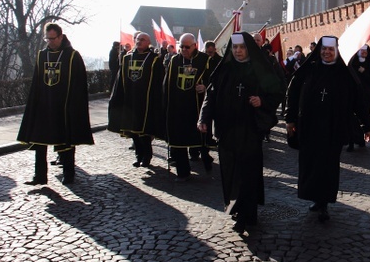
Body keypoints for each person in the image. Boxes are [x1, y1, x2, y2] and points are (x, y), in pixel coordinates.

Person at [197, 32, 283, 234]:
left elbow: (277, 92)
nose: (238, 51)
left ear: (248, 49)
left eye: (242, 47)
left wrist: (262, 101)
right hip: (226, 131)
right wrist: (203, 118)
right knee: (229, 172)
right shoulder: (224, 70)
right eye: (235, 48)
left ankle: (246, 214)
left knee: (247, 172)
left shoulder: (260, 70)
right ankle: (235, 207)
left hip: (249, 130)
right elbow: (210, 95)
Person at [285, 36, 370, 222]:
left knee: (328, 167)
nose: (327, 52)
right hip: (309, 127)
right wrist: (290, 119)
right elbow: (292, 94)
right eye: (324, 49)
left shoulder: (345, 73)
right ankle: (315, 198)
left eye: (330, 50)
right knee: (310, 164)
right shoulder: (308, 70)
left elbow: (358, 101)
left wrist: (367, 125)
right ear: (319, 50)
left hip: (333, 128)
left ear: (336, 51)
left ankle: (324, 203)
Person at [17, 23, 94, 185]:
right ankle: (40, 176)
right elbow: (37, 81)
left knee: (64, 140)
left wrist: (73, 106)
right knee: (39, 140)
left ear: (60, 36)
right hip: (44, 105)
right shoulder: (42, 55)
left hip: (64, 106)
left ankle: (69, 173)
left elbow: (79, 84)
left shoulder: (72, 56)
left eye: (52, 38)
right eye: (47, 38)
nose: (50, 42)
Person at [108, 31, 164, 168]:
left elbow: (159, 81)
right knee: (133, 132)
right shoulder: (127, 58)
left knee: (144, 132)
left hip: (146, 101)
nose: (139, 41)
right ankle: (138, 155)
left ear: (148, 42)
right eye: (138, 39)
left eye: (143, 39)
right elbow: (120, 79)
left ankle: (147, 156)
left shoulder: (154, 59)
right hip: (130, 99)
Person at [164, 33, 213, 180]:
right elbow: (168, 83)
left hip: (196, 107)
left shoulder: (205, 60)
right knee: (178, 140)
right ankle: (183, 172)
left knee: (199, 139)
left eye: (187, 47)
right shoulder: (174, 60)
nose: (184, 49)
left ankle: (206, 162)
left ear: (194, 46)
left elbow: (213, 80)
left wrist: (205, 87)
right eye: (181, 47)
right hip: (178, 107)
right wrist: (166, 105)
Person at [347, 44, 370, 151]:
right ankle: (351, 142)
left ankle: (362, 139)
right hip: (353, 94)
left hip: (366, 95)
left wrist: (364, 72)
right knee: (351, 118)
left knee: (365, 116)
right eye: (362, 51)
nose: (364, 52)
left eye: (365, 51)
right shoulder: (352, 64)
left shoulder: (369, 64)